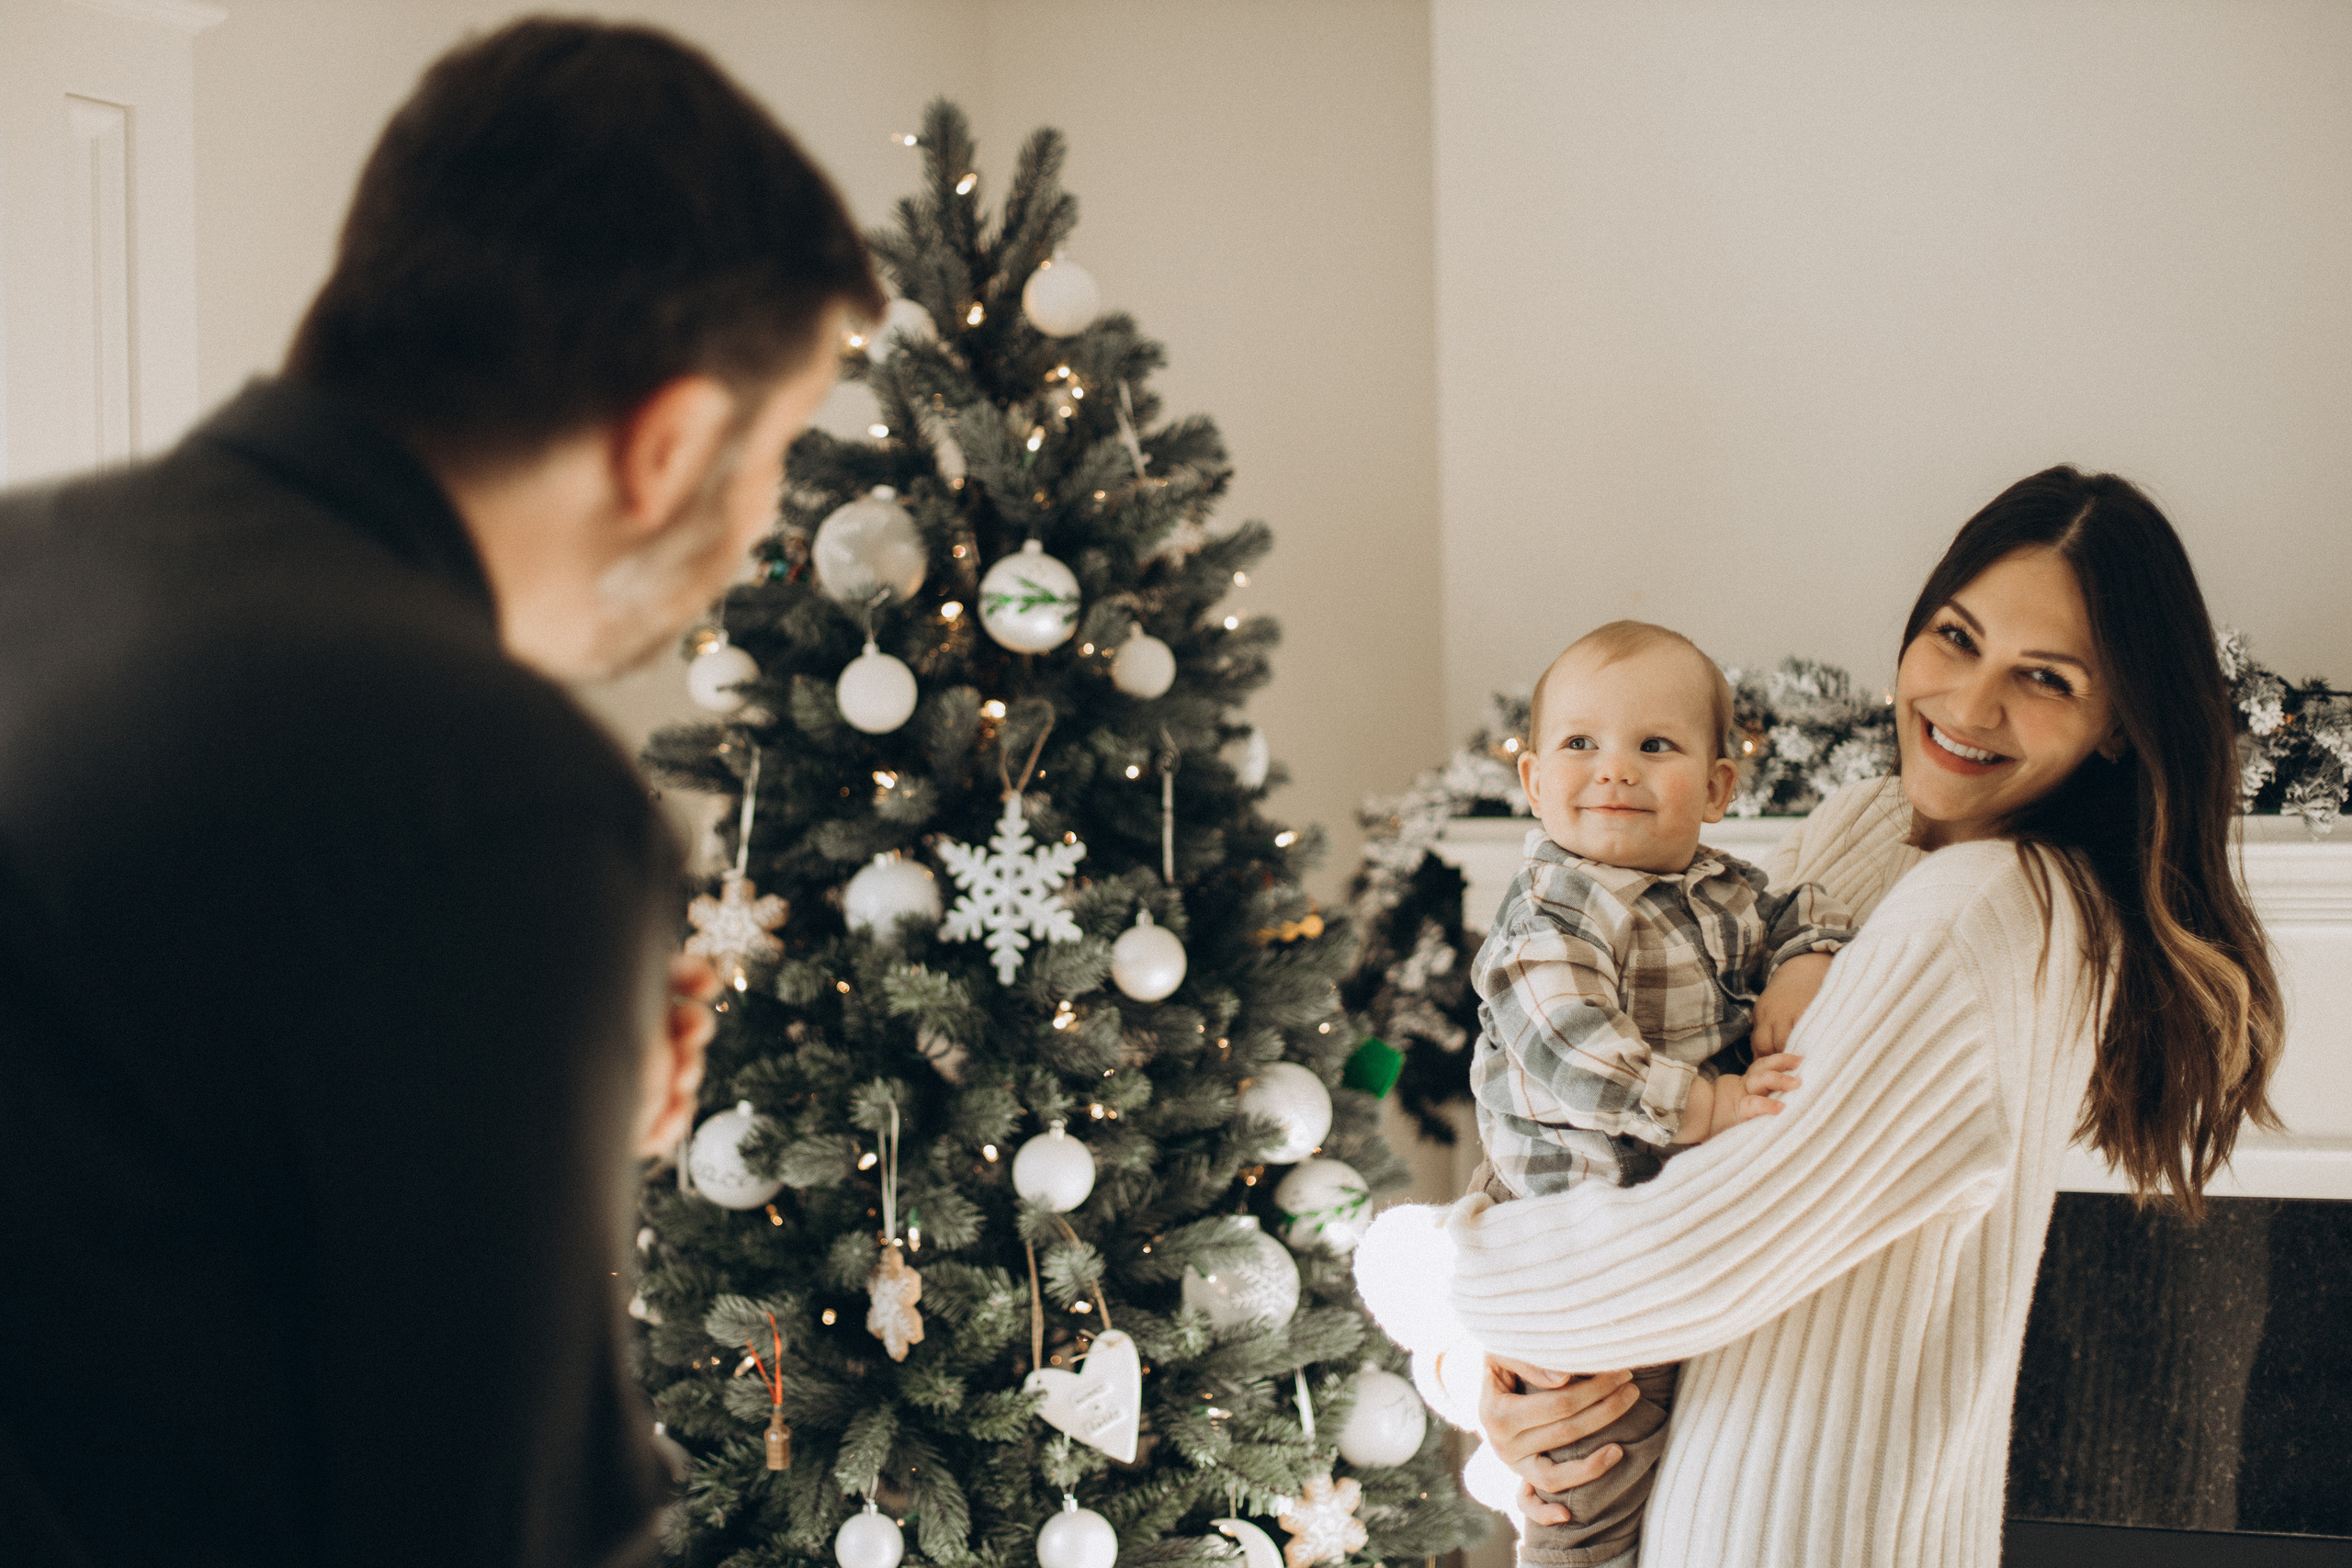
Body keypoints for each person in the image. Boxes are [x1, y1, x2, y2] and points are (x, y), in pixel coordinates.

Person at [0, 18, 884, 1568]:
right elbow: (496, 1521)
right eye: (780, 456)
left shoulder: (29, 562)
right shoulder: (501, 788)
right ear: (668, 443)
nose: (760, 533)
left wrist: (541, 1102)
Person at [1355, 467, 2283, 1568]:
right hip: (1679, 1499)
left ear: (2118, 726)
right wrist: (1491, 1383)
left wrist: (1413, 1268)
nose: (1968, 705)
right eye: (1953, 637)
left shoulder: (1982, 911)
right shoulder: (1870, 827)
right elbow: (1631, 1232)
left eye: (2042, 678)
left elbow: (1678, 1258)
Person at [1467, 620, 1853, 1566]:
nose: (1613, 771)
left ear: (1719, 787)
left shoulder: (1725, 892)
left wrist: (1802, 970)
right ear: (1532, 782)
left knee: (1684, 1475)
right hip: (1577, 1249)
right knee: (1591, 1484)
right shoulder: (1552, 910)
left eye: (1654, 746)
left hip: (1665, 1234)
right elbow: (1568, 1053)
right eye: (1579, 744)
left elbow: (1807, 910)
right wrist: (1713, 1104)